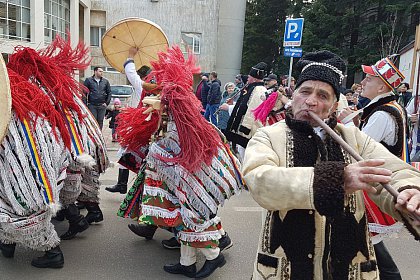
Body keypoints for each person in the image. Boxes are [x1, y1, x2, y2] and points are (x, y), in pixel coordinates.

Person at [242, 50, 420, 280]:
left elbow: (393, 171)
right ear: (293, 94)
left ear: (334, 105)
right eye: (305, 91)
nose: (311, 101)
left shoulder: (353, 138)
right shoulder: (267, 136)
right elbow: (260, 181)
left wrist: (409, 193)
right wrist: (337, 179)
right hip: (285, 269)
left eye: (323, 96)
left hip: (350, 270)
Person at [115, 46, 244, 278]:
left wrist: (154, 149)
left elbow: (172, 147)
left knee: (191, 217)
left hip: (188, 180)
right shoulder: (178, 107)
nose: (159, 103)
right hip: (179, 181)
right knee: (181, 216)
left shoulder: (181, 117)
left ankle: (215, 256)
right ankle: (186, 263)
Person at [360, 57, 410, 280]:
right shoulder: (389, 107)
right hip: (377, 180)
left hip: (373, 184)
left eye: (369, 78)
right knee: (365, 239)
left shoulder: (381, 114)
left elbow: (359, 147)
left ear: (382, 87)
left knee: (370, 239)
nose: (363, 82)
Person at [105, 47, 151, 195]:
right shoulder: (156, 87)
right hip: (150, 128)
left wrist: (130, 55)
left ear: (142, 77)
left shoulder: (143, 86)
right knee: (125, 151)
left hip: (144, 127)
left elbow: (130, 73)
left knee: (129, 152)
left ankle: (127, 185)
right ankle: (123, 184)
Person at [224, 62, 267, 160]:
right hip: (243, 132)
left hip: (249, 133)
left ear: (254, 78)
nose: (247, 79)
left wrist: (245, 129)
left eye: (249, 77)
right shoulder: (252, 88)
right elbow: (244, 106)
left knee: (245, 156)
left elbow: (252, 111)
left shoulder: (259, 90)